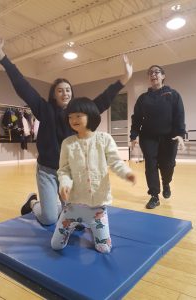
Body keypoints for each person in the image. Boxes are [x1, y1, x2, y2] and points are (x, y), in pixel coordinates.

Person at [0, 35, 133, 226]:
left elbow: (102, 101)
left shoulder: (78, 115)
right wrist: (1, 56)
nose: (65, 93)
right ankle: (33, 202)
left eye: (68, 90)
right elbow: (22, 86)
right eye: (60, 90)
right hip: (47, 171)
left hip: (70, 173)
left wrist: (123, 80)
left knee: (77, 220)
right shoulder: (43, 109)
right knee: (50, 218)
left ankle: (60, 205)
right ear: (54, 94)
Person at [51, 97, 136, 253]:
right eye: (70, 116)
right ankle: (38, 206)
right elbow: (64, 170)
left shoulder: (104, 139)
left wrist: (127, 173)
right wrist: (65, 184)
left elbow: (116, 162)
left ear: (90, 115)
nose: (73, 119)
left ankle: (92, 227)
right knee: (56, 245)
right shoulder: (68, 143)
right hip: (73, 206)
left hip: (97, 206)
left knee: (104, 249)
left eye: (78, 115)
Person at [130, 65, 186, 209]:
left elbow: (179, 116)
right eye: (150, 73)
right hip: (148, 138)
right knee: (150, 165)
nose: (153, 74)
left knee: (168, 165)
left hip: (169, 137)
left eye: (156, 72)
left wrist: (180, 134)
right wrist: (134, 135)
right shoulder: (143, 98)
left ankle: (166, 182)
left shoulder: (173, 94)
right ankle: (154, 195)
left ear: (163, 76)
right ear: (149, 78)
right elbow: (136, 118)